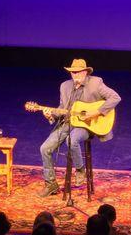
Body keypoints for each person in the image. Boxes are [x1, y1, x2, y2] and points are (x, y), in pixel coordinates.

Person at [38, 58, 121, 197]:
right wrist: (51, 115)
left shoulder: (96, 83)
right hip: (68, 122)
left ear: (85, 72)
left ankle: (80, 169)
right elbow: (62, 109)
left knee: (72, 139)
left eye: (78, 72)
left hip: (87, 125)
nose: (75, 75)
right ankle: (51, 184)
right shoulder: (65, 86)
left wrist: (96, 112)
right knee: (44, 148)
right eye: (72, 72)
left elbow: (115, 98)